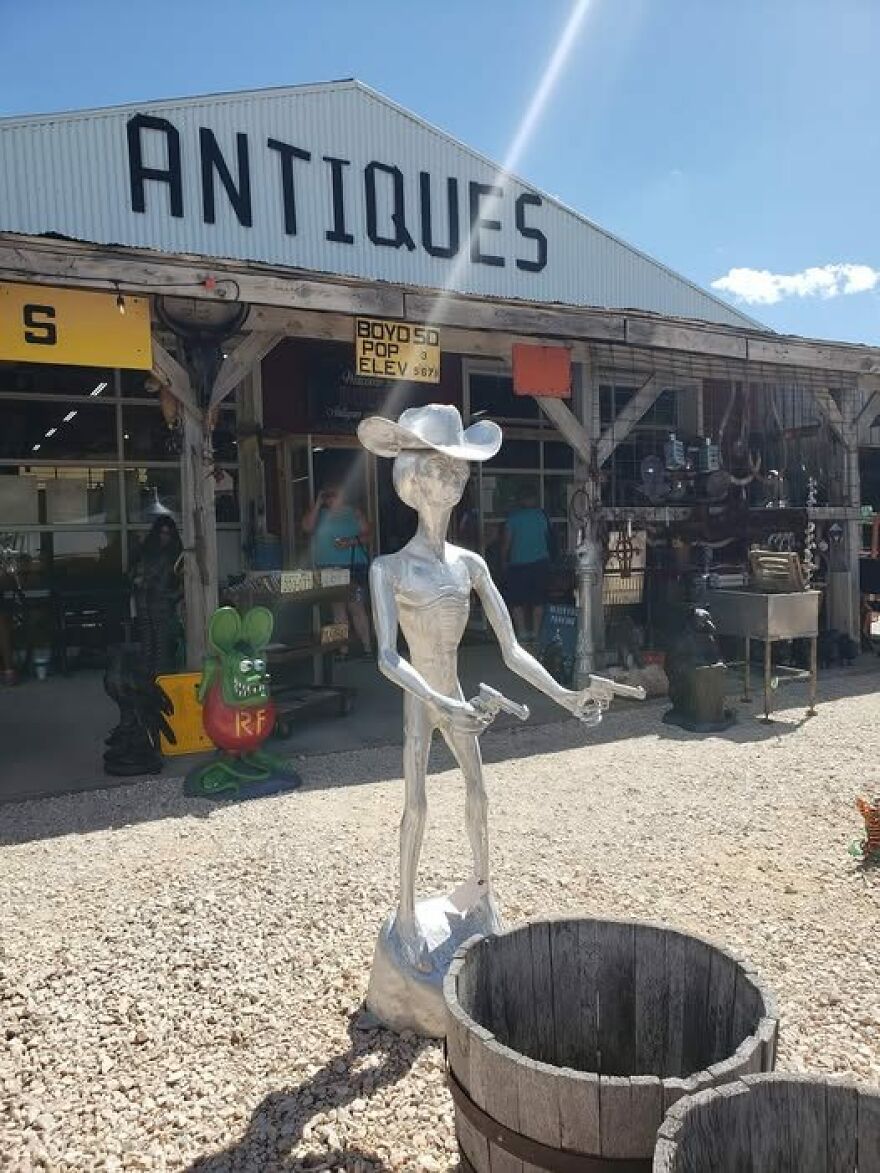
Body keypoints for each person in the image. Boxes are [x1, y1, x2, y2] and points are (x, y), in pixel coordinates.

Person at [357, 404, 614, 971]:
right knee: (417, 804)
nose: (452, 479)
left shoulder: (470, 563)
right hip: (424, 700)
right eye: (441, 467)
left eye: (457, 470)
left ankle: (481, 897)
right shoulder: (389, 569)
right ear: (413, 478)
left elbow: (513, 649)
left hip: (457, 697)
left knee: (479, 795)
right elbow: (385, 658)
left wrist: (566, 696)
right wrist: (445, 702)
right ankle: (404, 918)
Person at [302, 484, 372, 657]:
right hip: (328, 565)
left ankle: (367, 647)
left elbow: (368, 534)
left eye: (335, 494)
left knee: (356, 606)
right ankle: (343, 650)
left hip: (352, 565)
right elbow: (307, 528)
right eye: (329, 496)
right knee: (337, 609)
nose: (332, 498)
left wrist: (350, 542)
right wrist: (318, 503)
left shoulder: (353, 512)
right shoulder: (320, 515)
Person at [130, 515, 183, 678]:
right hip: (148, 602)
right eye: (162, 533)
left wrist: (173, 597)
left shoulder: (174, 554)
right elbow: (134, 575)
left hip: (161, 603)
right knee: (149, 643)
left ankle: (158, 678)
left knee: (161, 645)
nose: (164, 537)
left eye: (167, 534)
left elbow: (183, 581)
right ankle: (150, 677)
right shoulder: (148, 551)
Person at [501, 489, 553, 643]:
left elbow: (506, 542)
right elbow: (548, 537)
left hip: (518, 563)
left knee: (517, 600)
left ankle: (522, 632)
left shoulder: (513, 517)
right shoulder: (541, 516)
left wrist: (503, 560)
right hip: (540, 562)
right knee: (538, 599)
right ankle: (536, 633)